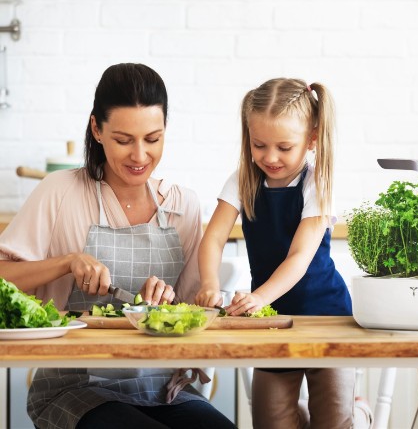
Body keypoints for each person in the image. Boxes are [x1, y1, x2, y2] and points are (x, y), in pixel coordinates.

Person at [0, 63, 236, 429]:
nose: (139, 156)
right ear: (97, 129)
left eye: (152, 139)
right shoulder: (59, 192)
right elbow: (3, 278)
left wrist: (166, 306)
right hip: (73, 388)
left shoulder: (181, 204)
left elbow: (192, 312)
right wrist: (66, 263)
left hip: (162, 388)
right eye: (124, 140)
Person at [196, 78, 357, 429]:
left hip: (326, 317)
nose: (270, 157)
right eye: (259, 145)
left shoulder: (318, 183)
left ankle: (358, 414)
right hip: (271, 319)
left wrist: (257, 298)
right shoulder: (242, 180)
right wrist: (209, 284)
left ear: (311, 139)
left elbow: (299, 256)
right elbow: (212, 240)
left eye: (284, 147)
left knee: (334, 422)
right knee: (272, 422)